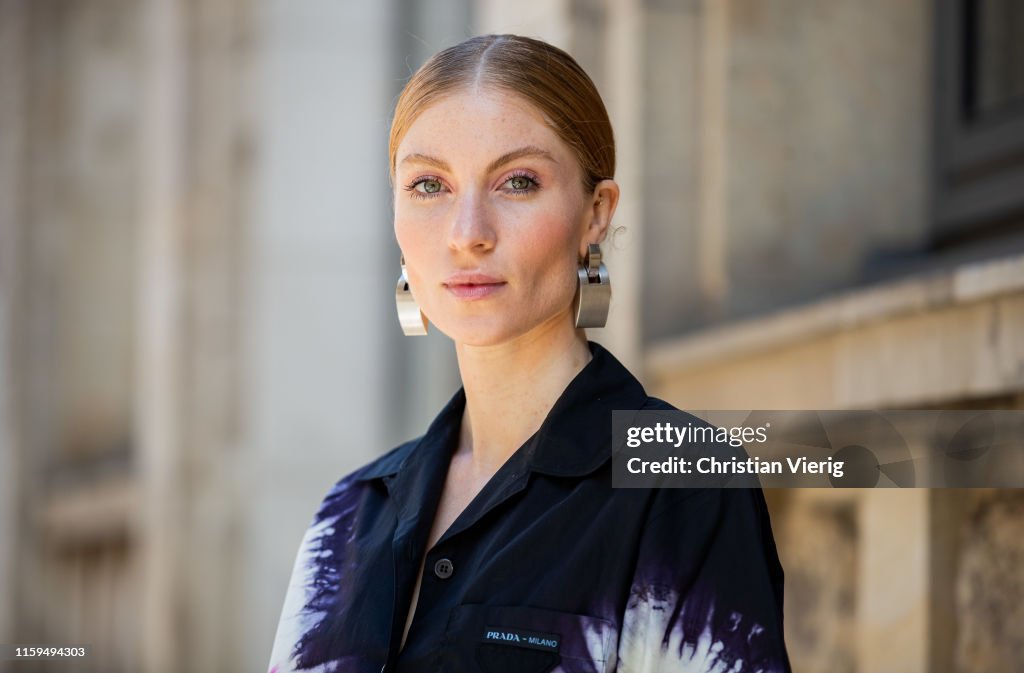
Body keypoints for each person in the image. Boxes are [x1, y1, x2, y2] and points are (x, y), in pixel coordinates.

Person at [267, 34, 792, 673]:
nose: (468, 235)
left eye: (518, 182)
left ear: (596, 213)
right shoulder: (347, 513)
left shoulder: (681, 485)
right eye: (429, 185)